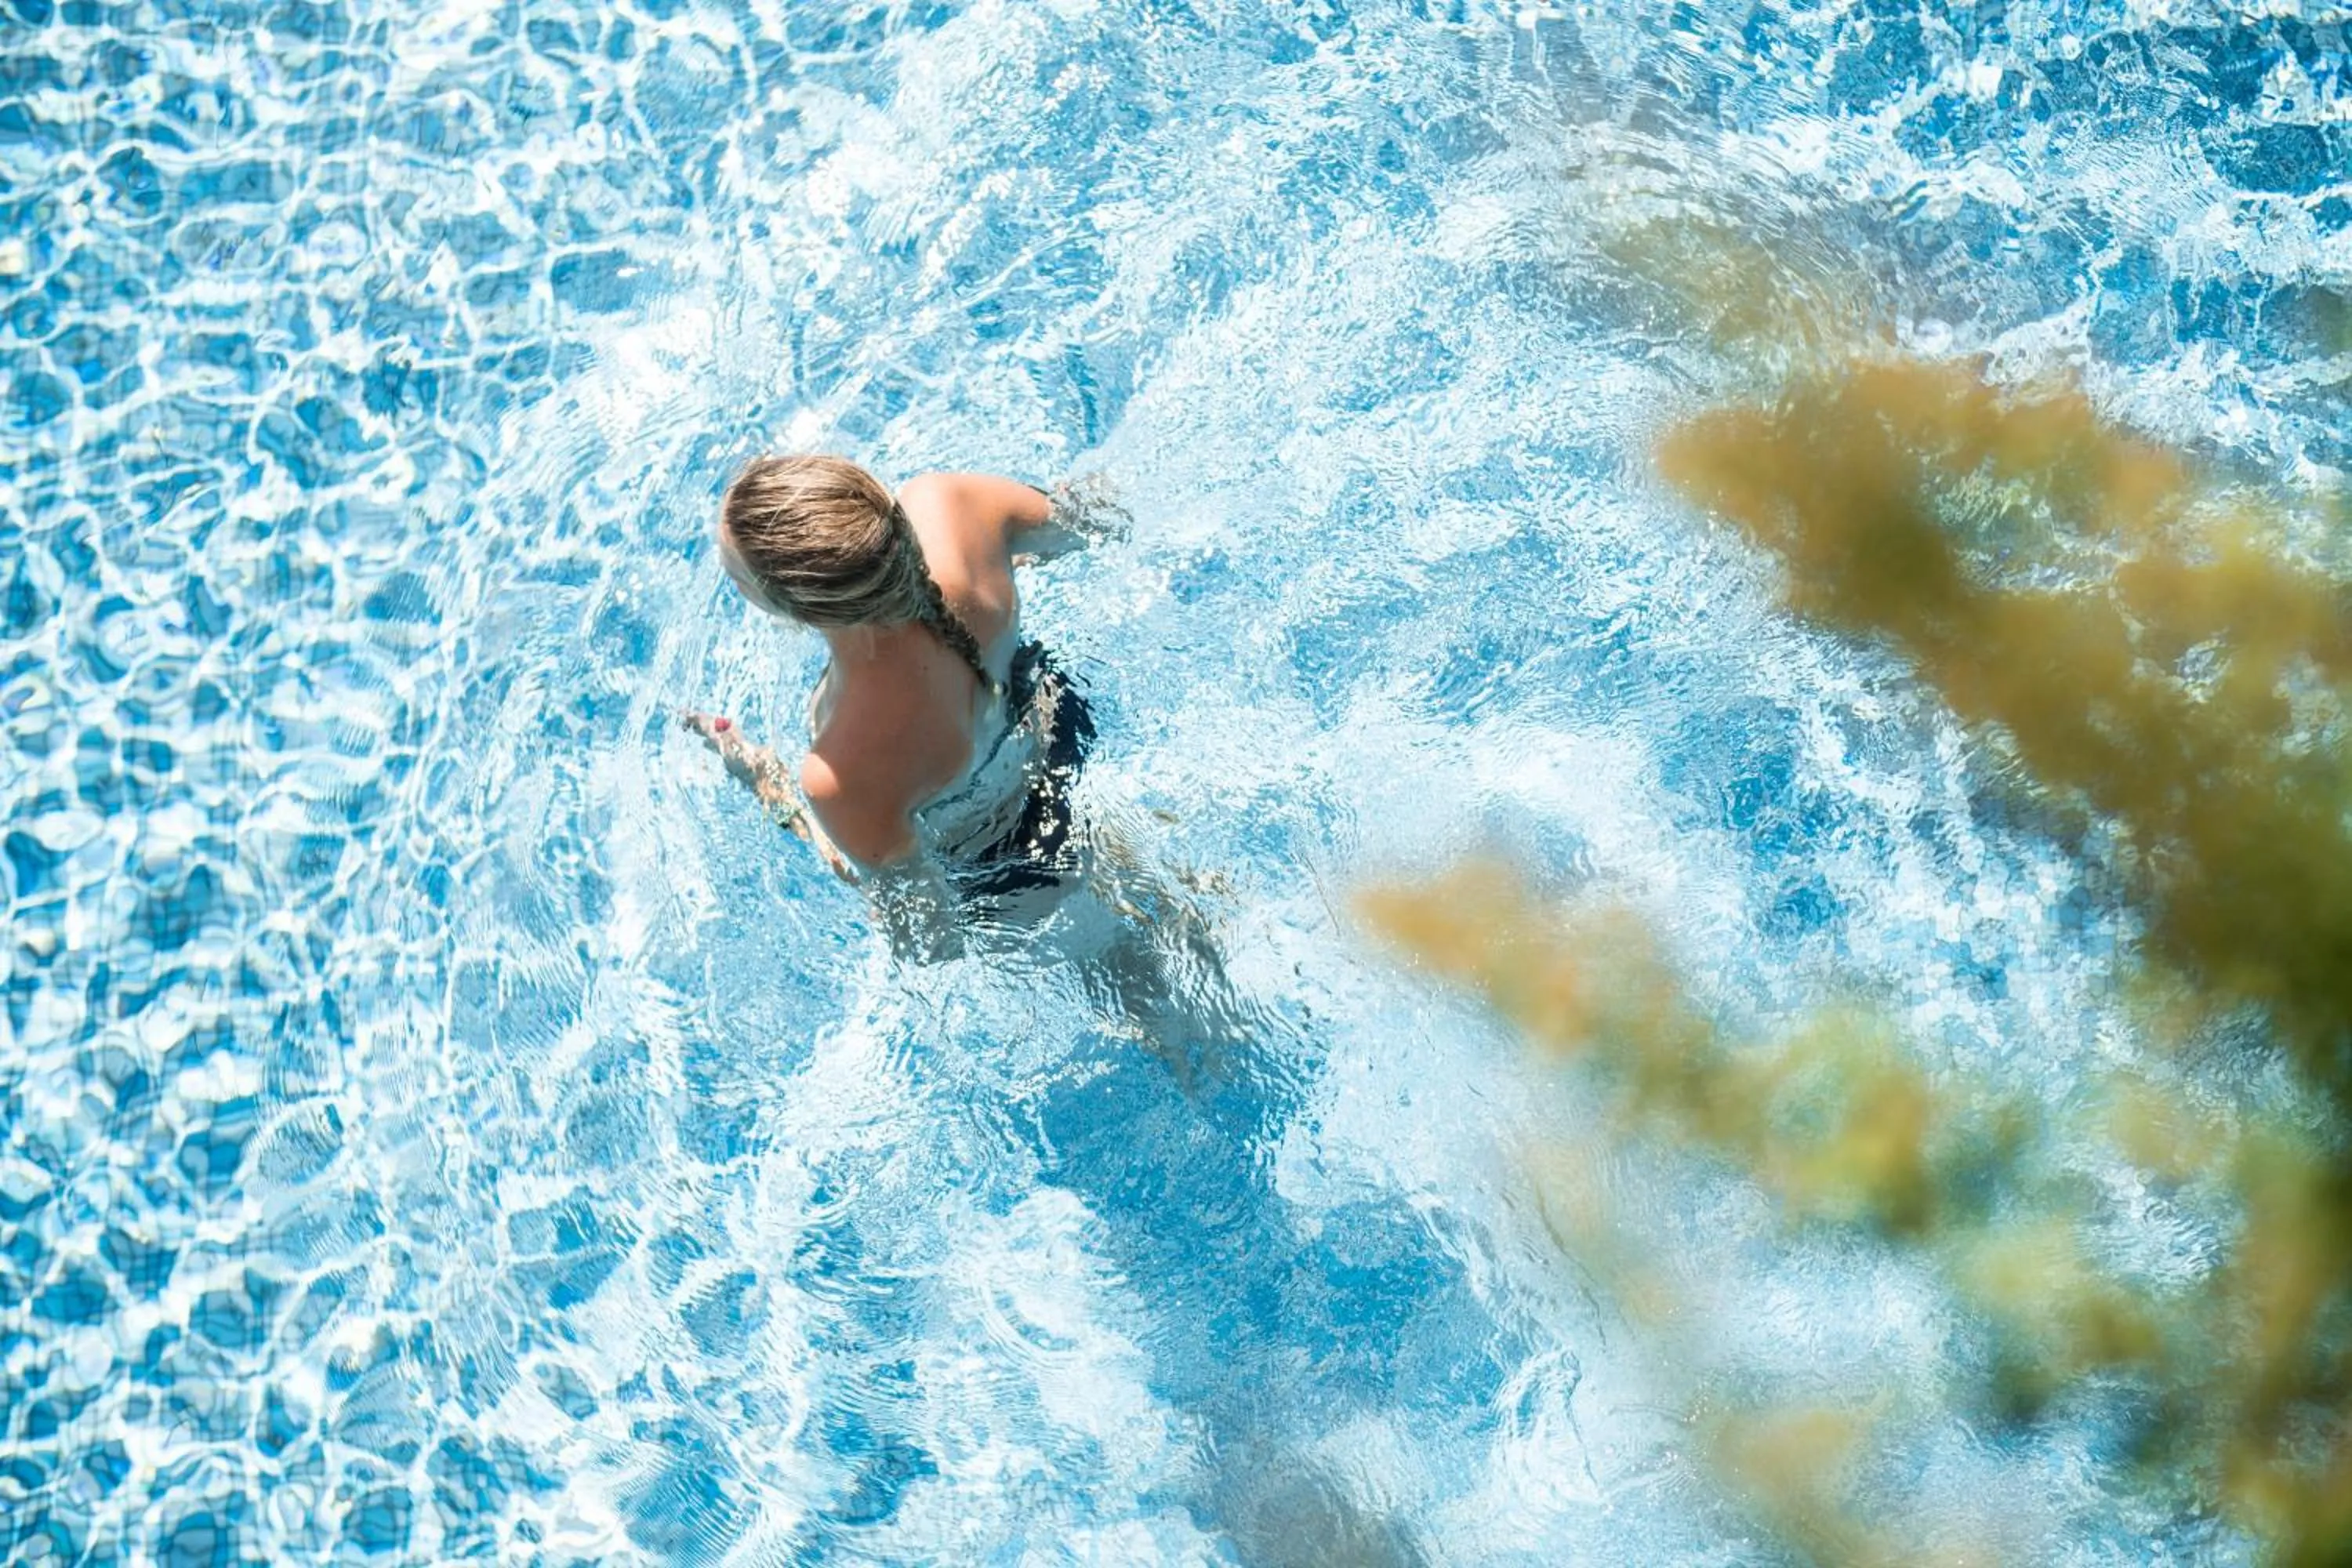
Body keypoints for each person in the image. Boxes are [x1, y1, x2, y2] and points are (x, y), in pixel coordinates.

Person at [684, 456, 1121, 952]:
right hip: (1065, 738)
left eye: (735, 576)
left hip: (1011, 872)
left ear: (792, 607)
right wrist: (1000, 558)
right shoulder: (949, 507)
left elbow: (927, 940)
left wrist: (772, 787)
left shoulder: (840, 767)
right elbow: (1101, 521)